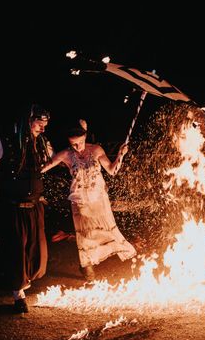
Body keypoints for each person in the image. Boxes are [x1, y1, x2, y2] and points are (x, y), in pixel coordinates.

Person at [41, 119, 136, 281]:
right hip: (80, 200)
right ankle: (86, 265)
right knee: (85, 235)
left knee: (106, 229)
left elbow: (112, 171)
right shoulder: (66, 154)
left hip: (99, 198)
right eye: (73, 144)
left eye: (79, 143)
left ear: (85, 137)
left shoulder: (96, 150)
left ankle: (113, 255)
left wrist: (121, 154)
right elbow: (43, 168)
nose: (76, 147)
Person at [0, 104, 53, 313]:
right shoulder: (3, 141)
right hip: (12, 208)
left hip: (35, 207)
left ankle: (24, 282)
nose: (43, 129)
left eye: (45, 125)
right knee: (16, 252)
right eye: (40, 124)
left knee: (36, 252)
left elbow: (53, 161)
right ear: (28, 121)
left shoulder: (42, 142)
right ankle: (18, 294)